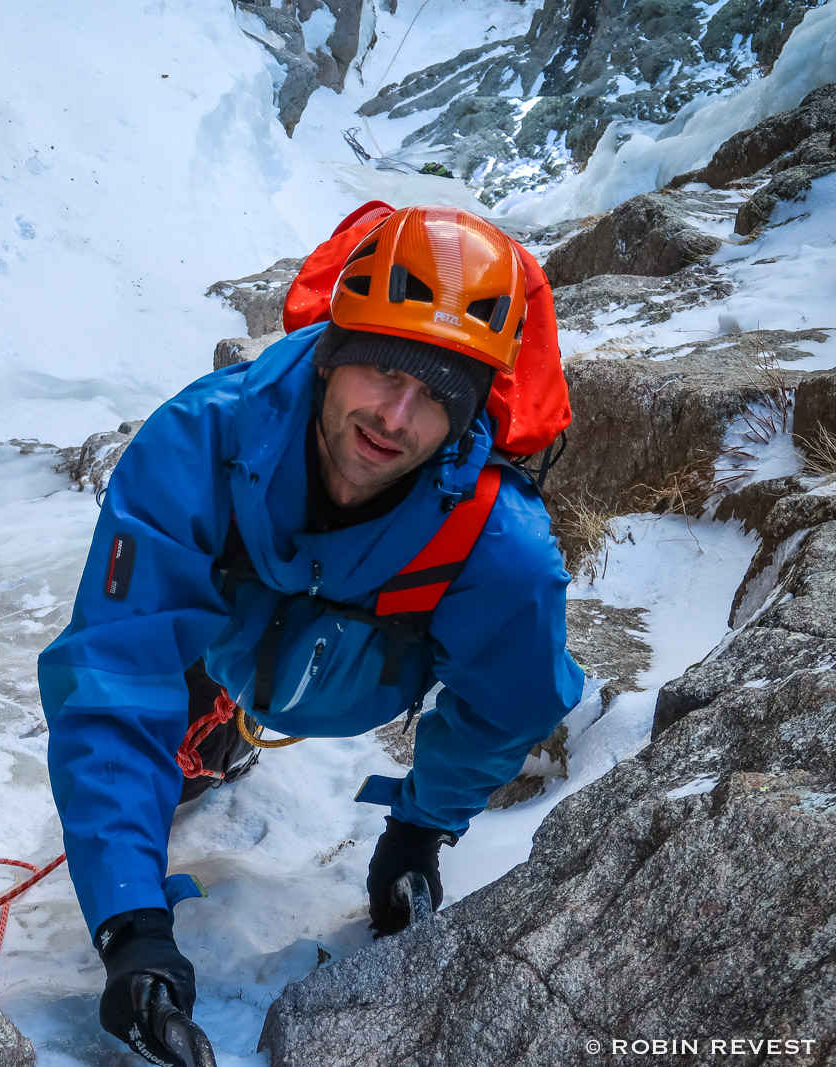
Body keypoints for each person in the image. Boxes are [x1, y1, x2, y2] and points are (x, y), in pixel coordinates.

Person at [37, 206, 584, 1066]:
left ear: (470, 413)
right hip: (218, 654)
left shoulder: (502, 550)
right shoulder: (200, 442)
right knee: (161, 780)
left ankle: (228, 722)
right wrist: (131, 926)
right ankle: (218, 722)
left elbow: (505, 707)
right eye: (382, 366)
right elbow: (113, 670)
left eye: (438, 393)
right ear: (332, 352)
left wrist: (419, 829)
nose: (396, 416)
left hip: (346, 676)